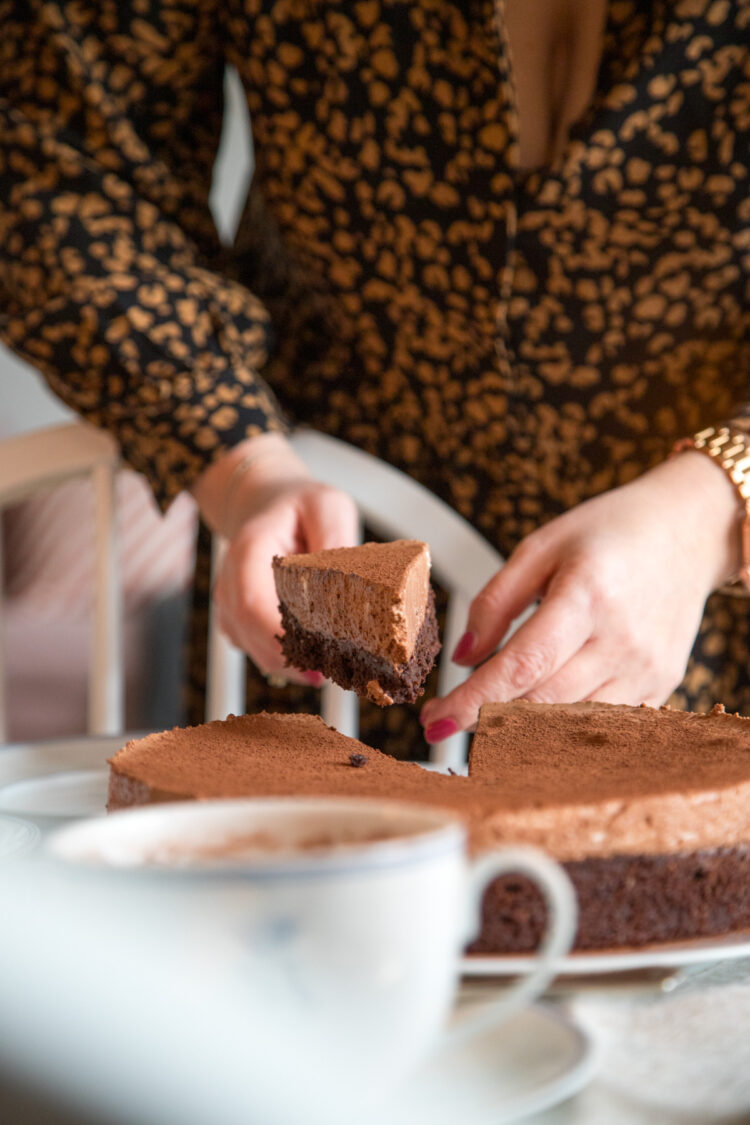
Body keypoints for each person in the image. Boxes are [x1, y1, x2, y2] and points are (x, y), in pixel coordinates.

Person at [1, 1, 748, 754]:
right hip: (319, 581)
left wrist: (707, 511)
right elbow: (58, 159)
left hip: (712, 619)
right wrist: (241, 464)